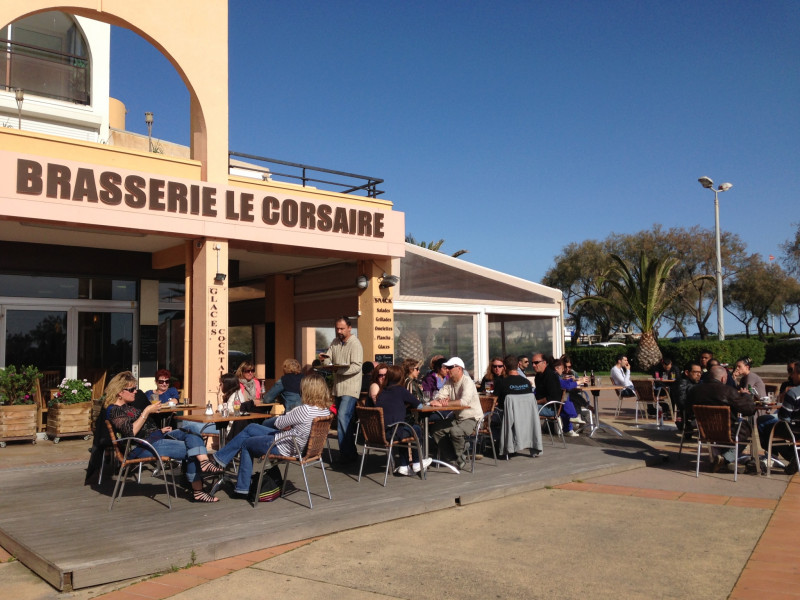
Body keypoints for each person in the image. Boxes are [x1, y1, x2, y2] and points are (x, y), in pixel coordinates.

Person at [104, 371, 223, 503]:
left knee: (192, 429)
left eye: (135, 388)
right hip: (146, 446)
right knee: (194, 450)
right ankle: (199, 489)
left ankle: (203, 463)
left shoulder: (127, 406)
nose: (135, 392)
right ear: (120, 392)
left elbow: (143, 428)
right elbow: (130, 432)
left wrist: (160, 430)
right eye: (132, 389)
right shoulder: (114, 410)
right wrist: (147, 411)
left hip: (156, 437)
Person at [212, 374, 332, 496]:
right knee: (251, 428)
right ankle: (220, 459)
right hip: (299, 445)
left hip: (286, 445)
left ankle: (241, 488)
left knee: (247, 443)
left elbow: (279, 423)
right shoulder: (325, 410)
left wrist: (289, 418)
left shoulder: (304, 410)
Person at [686, 365, 756, 472]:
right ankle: (725, 458)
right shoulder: (728, 391)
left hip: (704, 431)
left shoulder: (695, 390)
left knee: (739, 427)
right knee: (746, 427)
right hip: (727, 431)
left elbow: (687, 409)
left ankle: (721, 457)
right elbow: (749, 409)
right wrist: (746, 396)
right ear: (723, 378)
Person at [319, 316, 363, 464]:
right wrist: (324, 359)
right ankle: (350, 453)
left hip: (350, 388)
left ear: (349, 328)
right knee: (344, 421)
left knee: (343, 418)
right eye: (337, 328)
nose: (339, 331)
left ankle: (345, 454)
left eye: (342, 328)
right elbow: (328, 358)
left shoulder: (355, 344)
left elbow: (357, 366)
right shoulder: (335, 342)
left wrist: (337, 371)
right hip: (338, 388)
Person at [375, 365, 432, 475]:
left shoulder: (382, 392)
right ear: (400, 377)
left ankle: (404, 465)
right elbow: (419, 405)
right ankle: (416, 463)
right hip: (393, 433)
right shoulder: (401, 390)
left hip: (381, 433)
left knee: (404, 427)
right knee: (416, 428)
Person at [429, 357, 483, 471]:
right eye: (446, 367)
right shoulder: (449, 382)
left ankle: (461, 455)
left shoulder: (467, 381)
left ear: (459, 369)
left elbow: (464, 402)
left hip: (473, 418)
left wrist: (445, 403)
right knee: (436, 429)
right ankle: (453, 459)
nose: (447, 370)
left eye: (449, 367)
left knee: (455, 431)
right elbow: (437, 396)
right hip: (457, 418)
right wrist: (440, 400)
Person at [757, 359, 800, 475]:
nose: (792, 375)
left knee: (769, 426)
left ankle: (785, 456)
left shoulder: (794, 392)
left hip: (795, 429)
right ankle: (793, 457)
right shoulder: (789, 388)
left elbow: (784, 417)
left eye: (794, 372)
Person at [532, 353, 565, 447]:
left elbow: (553, 398)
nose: (533, 365)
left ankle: (532, 440)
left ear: (544, 363)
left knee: (527, 410)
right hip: (542, 406)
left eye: (536, 362)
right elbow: (538, 394)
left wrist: (536, 402)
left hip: (551, 408)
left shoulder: (551, 376)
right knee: (523, 407)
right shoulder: (538, 376)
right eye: (532, 363)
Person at [552, 358, 584, 436]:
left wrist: (573, 380)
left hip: (556, 400)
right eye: (563, 368)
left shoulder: (555, 375)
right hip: (553, 402)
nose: (563, 370)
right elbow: (566, 385)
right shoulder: (554, 376)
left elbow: (564, 383)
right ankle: (574, 416)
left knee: (566, 398)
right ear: (557, 368)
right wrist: (579, 381)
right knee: (566, 398)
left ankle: (568, 429)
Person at [674, 361, 703, 433]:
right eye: (696, 372)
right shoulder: (682, 384)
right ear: (687, 372)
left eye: (700, 372)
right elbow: (682, 403)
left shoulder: (694, 383)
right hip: (692, 415)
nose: (699, 374)